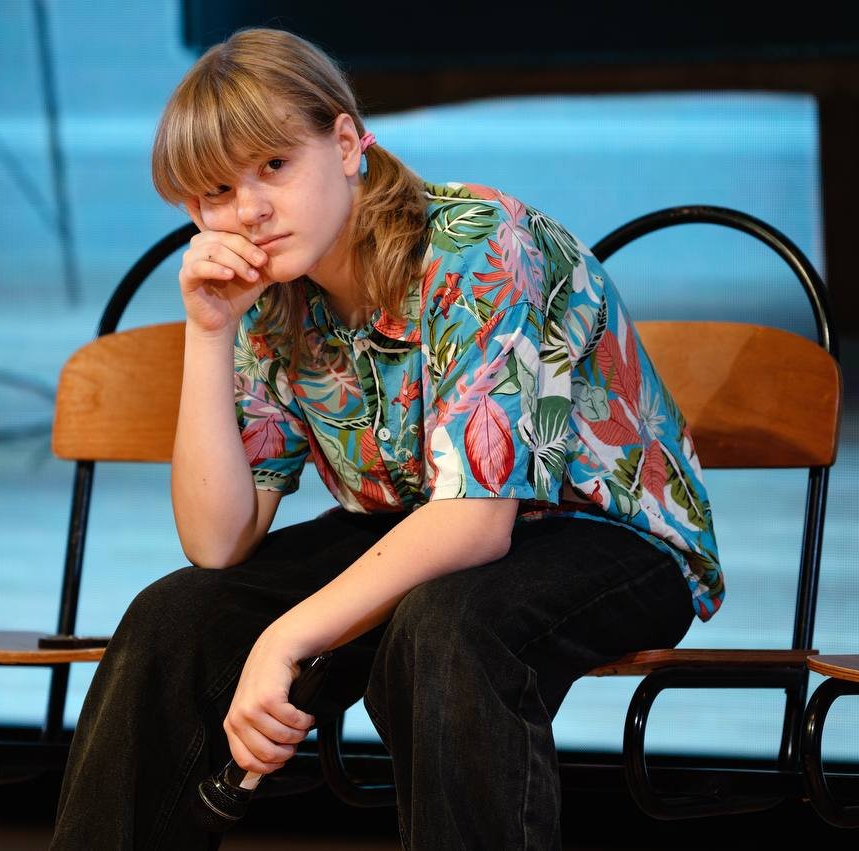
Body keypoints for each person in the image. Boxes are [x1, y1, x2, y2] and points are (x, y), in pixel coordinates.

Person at [50, 27, 721, 851]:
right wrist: (209, 329)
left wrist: (287, 635)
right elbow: (219, 540)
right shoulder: (272, 291)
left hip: (606, 534)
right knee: (176, 618)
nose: (250, 209)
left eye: (274, 165)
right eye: (218, 189)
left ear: (344, 144)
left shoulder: (479, 244)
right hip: (418, 525)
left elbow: (476, 522)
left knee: (446, 624)